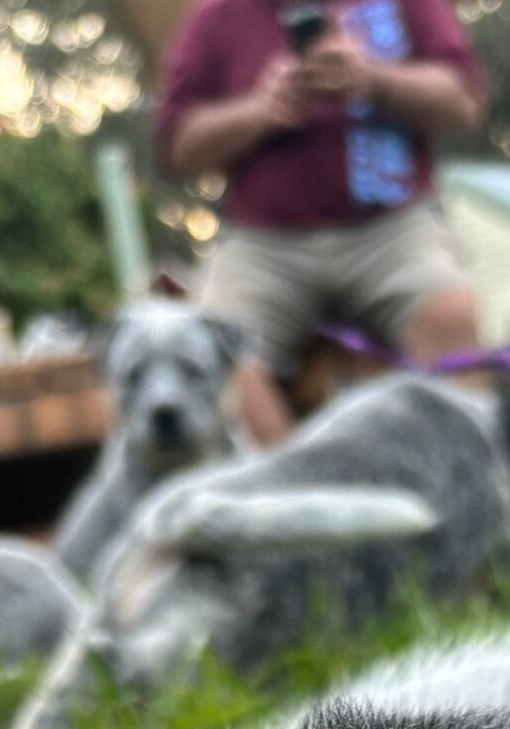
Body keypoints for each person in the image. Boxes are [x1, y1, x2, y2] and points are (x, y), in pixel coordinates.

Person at [157, 0, 488, 444]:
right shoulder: (218, 15)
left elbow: (464, 102)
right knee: (212, 353)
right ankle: (288, 495)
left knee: (451, 318)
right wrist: (259, 111)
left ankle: (463, 486)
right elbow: (176, 148)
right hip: (264, 244)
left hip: (393, 229)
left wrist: (375, 80)